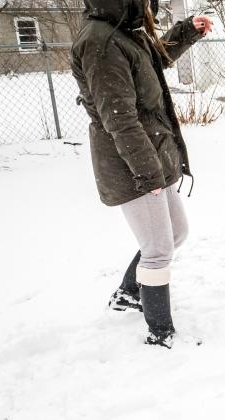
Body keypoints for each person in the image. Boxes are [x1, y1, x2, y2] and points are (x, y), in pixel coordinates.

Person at [71, 0, 213, 348]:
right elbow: (119, 118)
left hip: (151, 152)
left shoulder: (125, 31)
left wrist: (187, 31)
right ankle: (160, 332)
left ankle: (128, 293)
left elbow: (155, 59)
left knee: (176, 233)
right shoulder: (100, 42)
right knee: (157, 248)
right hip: (130, 163)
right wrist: (148, 175)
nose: (152, 5)